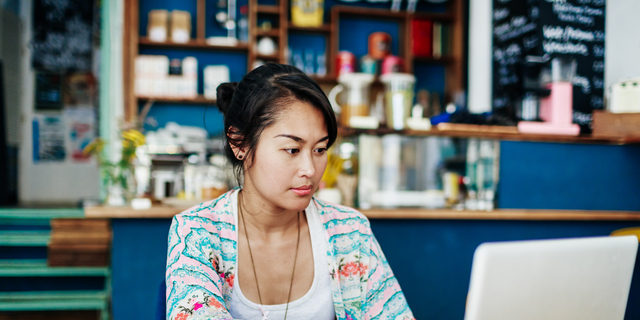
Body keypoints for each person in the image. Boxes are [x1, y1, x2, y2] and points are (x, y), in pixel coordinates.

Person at [166, 63, 414, 320]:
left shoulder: (349, 232)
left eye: (319, 149)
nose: (310, 169)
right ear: (239, 142)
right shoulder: (196, 233)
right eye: (292, 150)